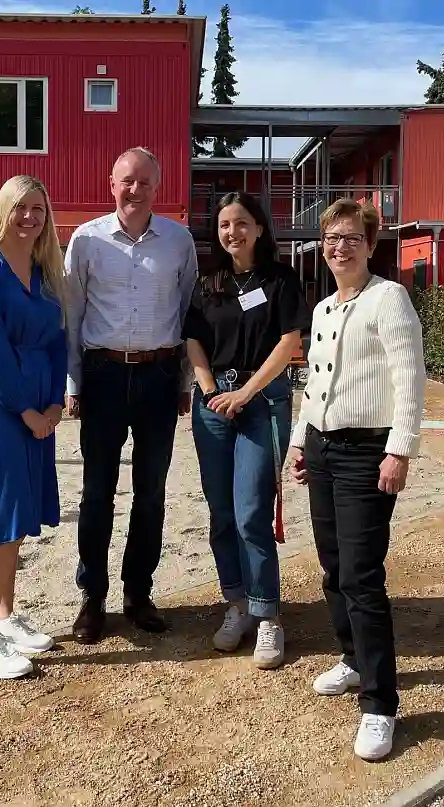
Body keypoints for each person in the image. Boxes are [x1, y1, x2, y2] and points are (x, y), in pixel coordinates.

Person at [287, 198, 425, 761]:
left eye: (350, 238)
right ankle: (352, 657)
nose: (339, 246)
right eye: (330, 238)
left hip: (368, 452)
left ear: (371, 245)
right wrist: (301, 439)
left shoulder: (387, 298)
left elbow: (409, 380)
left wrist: (399, 452)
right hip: (323, 448)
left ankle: (379, 704)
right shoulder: (323, 310)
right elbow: (317, 386)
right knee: (333, 565)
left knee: (363, 576)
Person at [63, 147, 198, 644]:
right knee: (97, 492)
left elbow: (187, 316)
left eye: (144, 181)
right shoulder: (86, 241)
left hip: (158, 377)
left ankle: (138, 592)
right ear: (111, 184)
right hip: (101, 375)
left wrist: (184, 381)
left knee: (152, 491)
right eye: (127, 181)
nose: (135, 190)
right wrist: (72, 383)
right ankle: (92, 596)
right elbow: (71, 317)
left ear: (157, 188)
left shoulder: (178, 242)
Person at [182, 192, 311, 670]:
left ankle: (267, 614)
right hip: (213, 405)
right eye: (223, 225)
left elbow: (289, 343)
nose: (231, 232)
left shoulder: (280, 280)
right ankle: (234, 604)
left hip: (263, 403)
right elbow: (194, 339)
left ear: (259, 228)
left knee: (250, 512)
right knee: (220, 514)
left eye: (241, 223)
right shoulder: (207, 282)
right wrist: (212, 388)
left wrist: (247, 393)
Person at [0, 175, 68, 679]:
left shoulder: (46, 273)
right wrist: (26, 410)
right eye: (21, 208)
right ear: (4, 210)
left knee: (22, 514)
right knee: (3, 519)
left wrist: (53, 403)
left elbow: (56, 341)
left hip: (37, 409)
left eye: (39, 210)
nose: (30, 217)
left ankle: (6, 619)